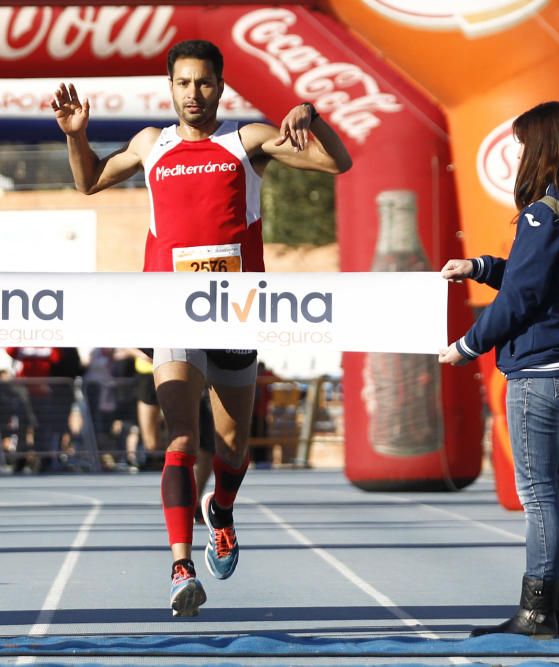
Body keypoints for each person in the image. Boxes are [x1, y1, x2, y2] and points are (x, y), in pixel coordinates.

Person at [52, 39, 352, 617]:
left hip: (239, 315)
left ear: (221, 86)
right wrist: (75, 134)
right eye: (184, 83)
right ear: (171, 87)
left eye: (205, 83)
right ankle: (180, 565)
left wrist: (312, 116)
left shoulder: (248, 142)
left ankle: (224, 512)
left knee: (234, 446)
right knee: (182, 439)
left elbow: (337, 164)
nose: (194, 93)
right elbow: (88, 182)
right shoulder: (150, 144)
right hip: (172, 313)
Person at [438, 101, 559, 639]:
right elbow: (538, 281)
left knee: (539, 497)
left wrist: (465, 346)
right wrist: (482, 267)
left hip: (541, 374)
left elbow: (523, 299)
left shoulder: (540, 213)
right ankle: (558, 612)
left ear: (541, 147)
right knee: (554, 495)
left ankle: (536, 613)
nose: (514, 151)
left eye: (519, 142)